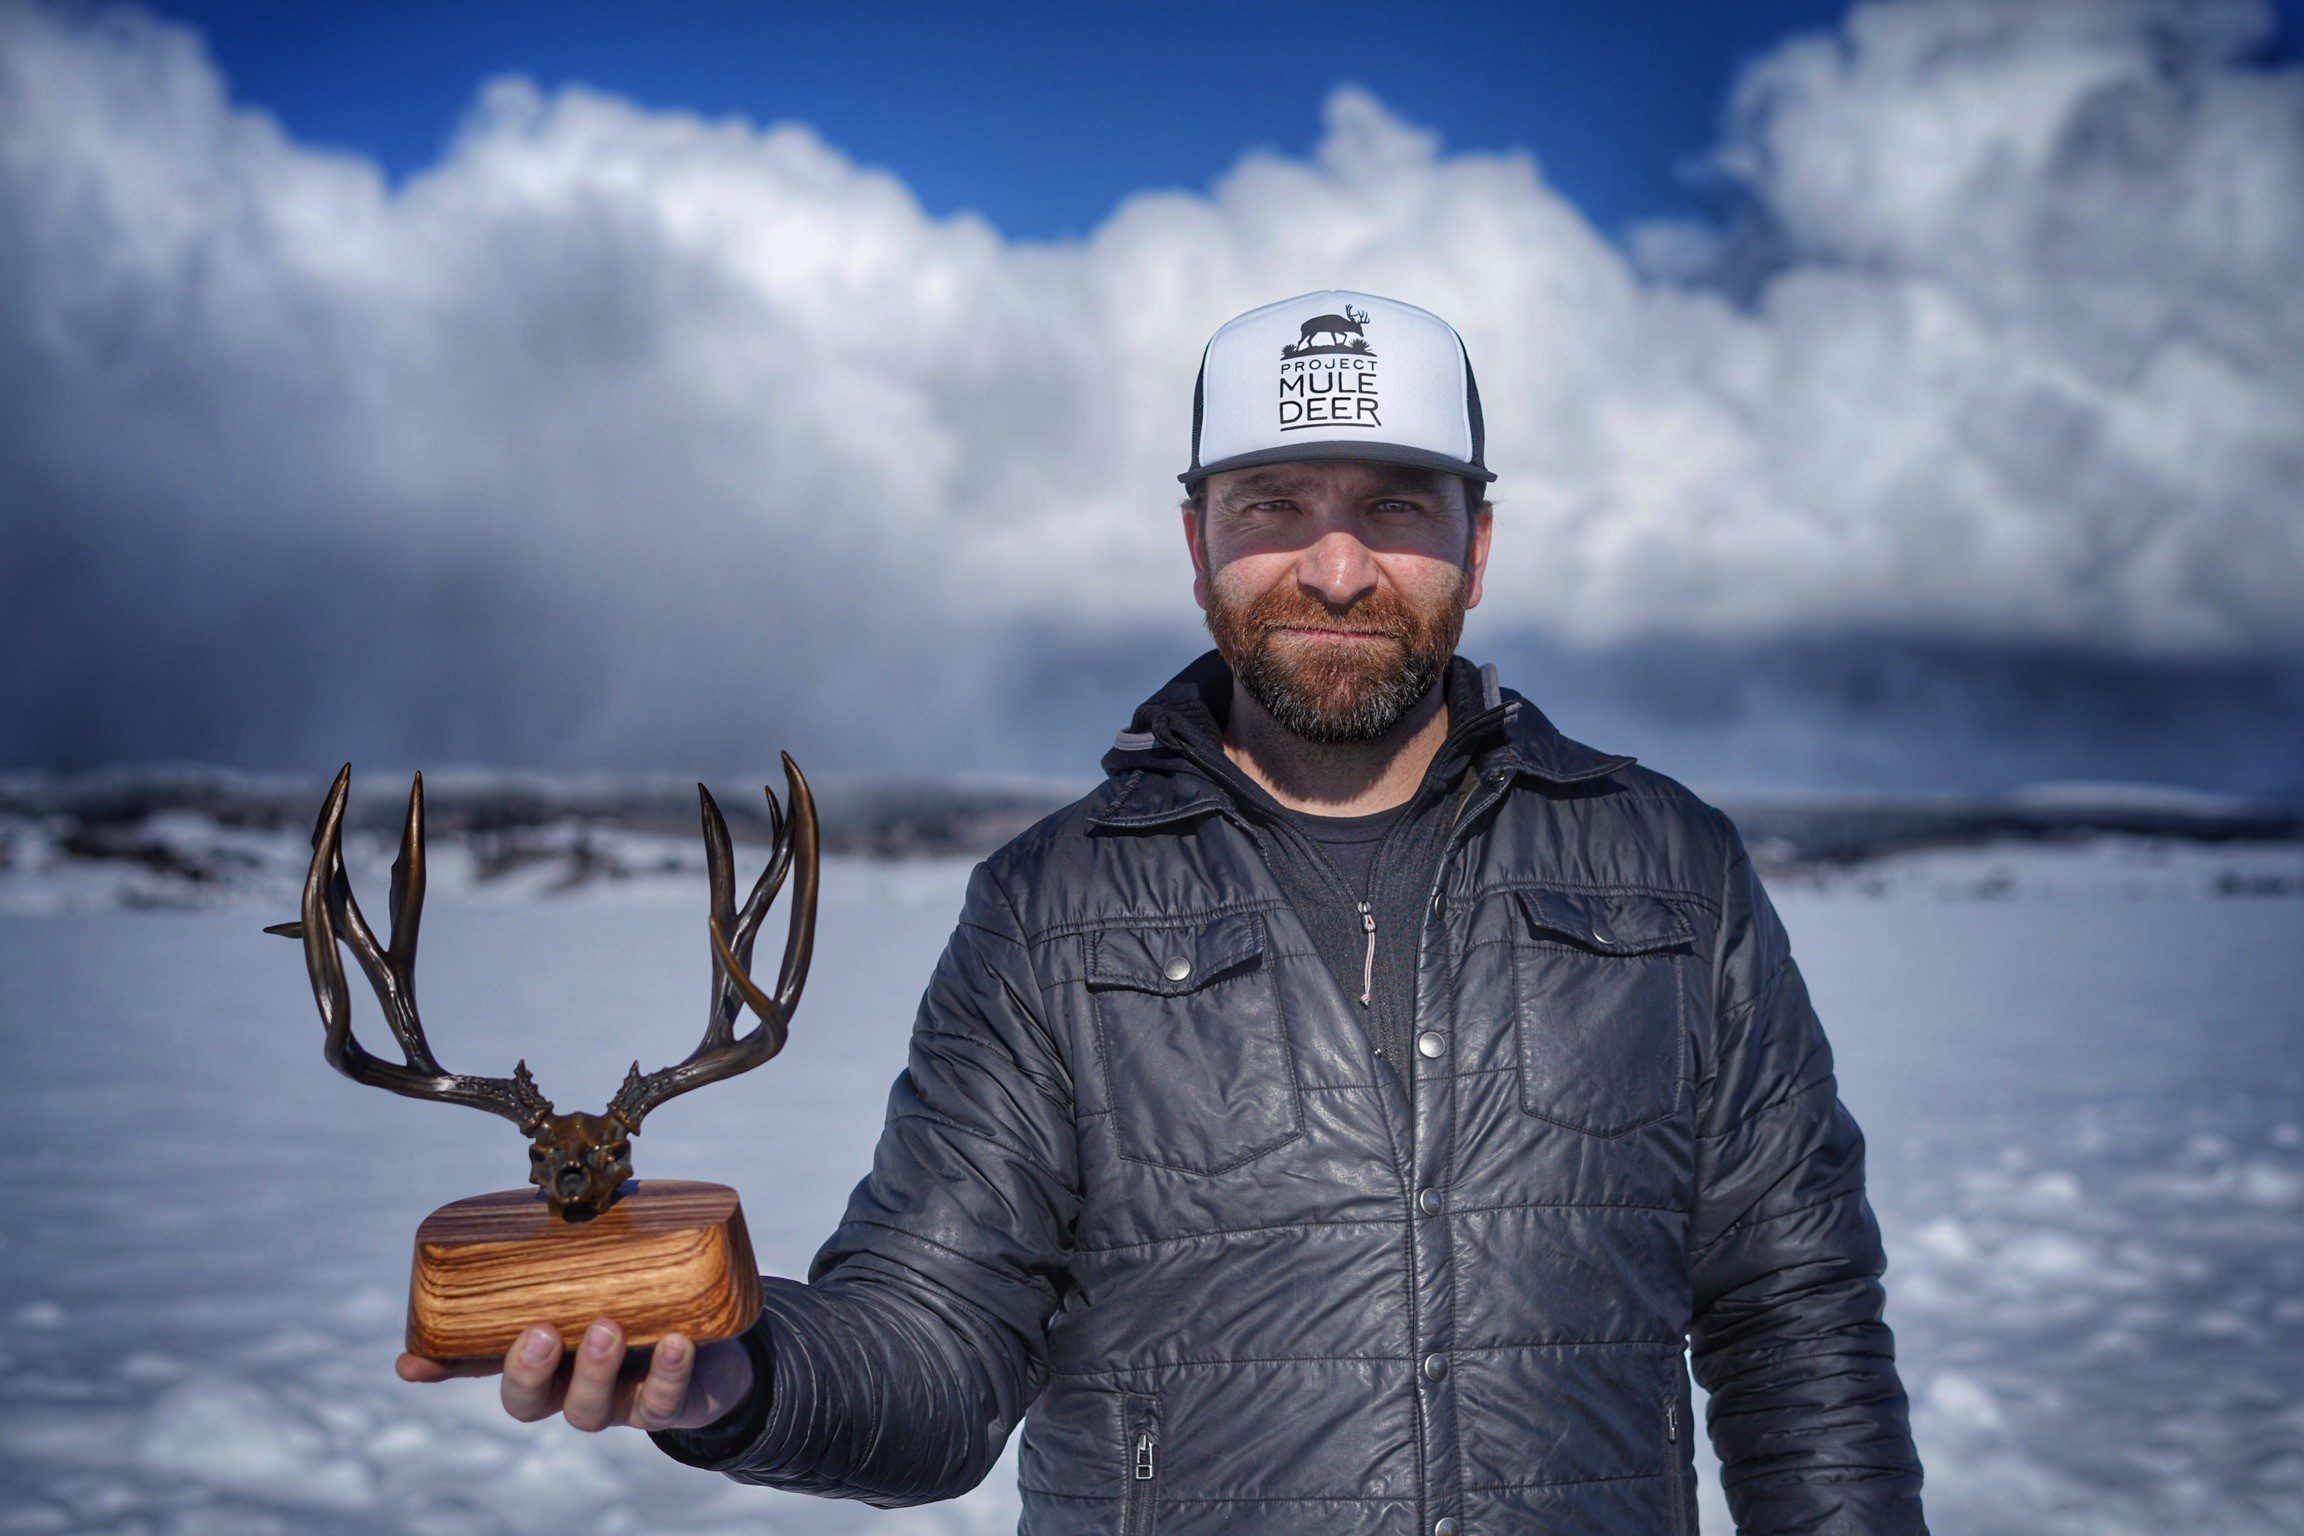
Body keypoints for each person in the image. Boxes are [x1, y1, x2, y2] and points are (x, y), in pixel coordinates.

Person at [401, 290, 1928, 1534]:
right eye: (1277, 504)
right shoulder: (1053, 910)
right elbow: (937, 1339)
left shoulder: (1670, 870)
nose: (1337, 567)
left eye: (1397, 506)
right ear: (1199, 542)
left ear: (1479, 542)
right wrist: (738, 1377)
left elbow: (1799, 1325)